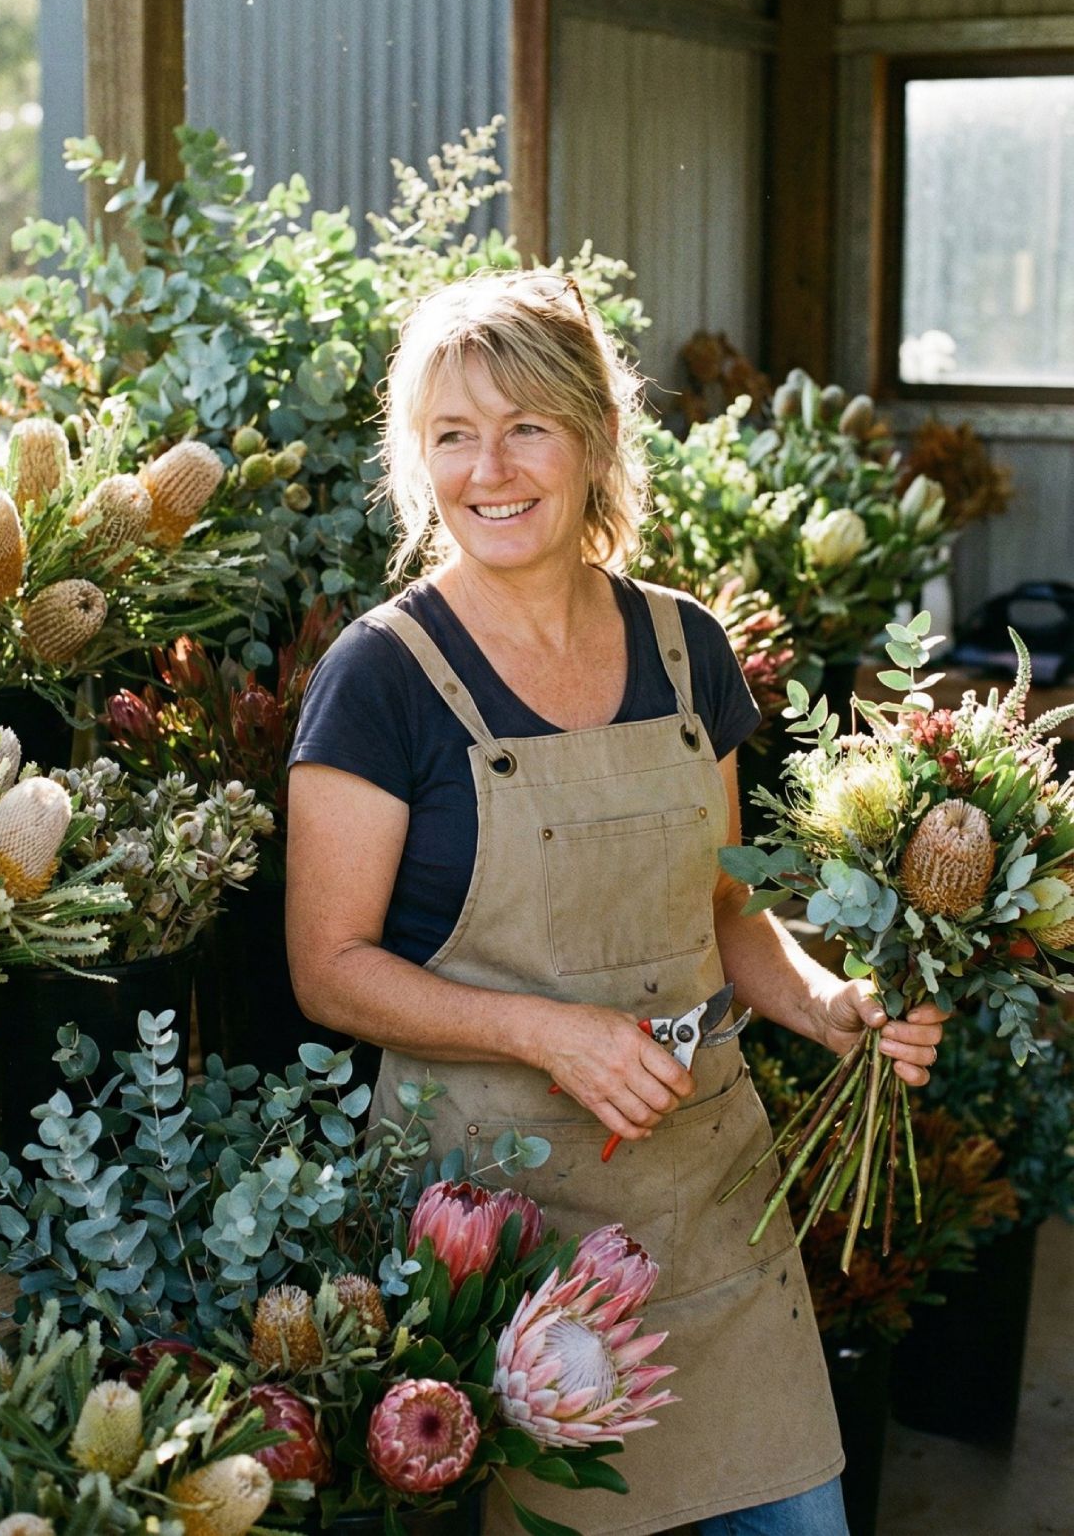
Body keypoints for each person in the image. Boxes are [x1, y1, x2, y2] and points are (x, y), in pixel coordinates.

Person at [286, 271, 946, 1536]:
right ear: (416, 459)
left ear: (594, 439)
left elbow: (721, 908)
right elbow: (328, 964)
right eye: (451, 434)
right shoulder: (382, 677)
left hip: (710, 1214)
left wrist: (833, 1006)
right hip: (495, 1241)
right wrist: (552, 1031)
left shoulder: (686, 646)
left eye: (525, 424)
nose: (491, 467)